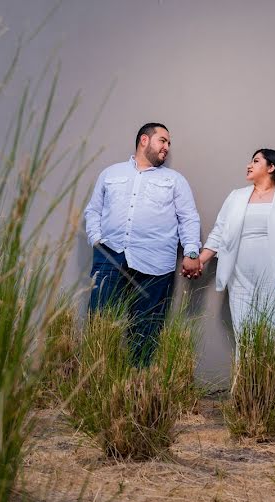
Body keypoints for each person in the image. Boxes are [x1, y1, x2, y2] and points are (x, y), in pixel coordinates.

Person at [84, 122, 202, 366]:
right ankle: (97, 380)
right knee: (100, 320)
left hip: (156, 263)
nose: (167, 147)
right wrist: (96, 240)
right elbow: (93, 210)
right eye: (163, 140)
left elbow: (188, 218)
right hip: (110, 256)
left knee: (147, 326)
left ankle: (138, 384)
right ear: (144, 140)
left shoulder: (175, 180)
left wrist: (192, 252)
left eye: (169, 143)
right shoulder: (110, 174)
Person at [196, 148, 275, 345]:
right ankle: (251, 376)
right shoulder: (236, 197)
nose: (249, 165)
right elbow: (219, 233)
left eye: (256, 161)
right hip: (242, 280)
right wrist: (199, 261)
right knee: (247, 336)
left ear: (271, 167)